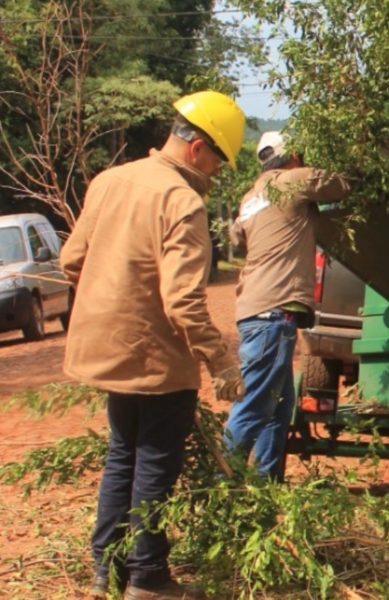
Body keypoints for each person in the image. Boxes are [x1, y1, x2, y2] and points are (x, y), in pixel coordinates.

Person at [61, 91, 247, 600]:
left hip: (110, 353)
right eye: (218, 160)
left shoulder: (109, 181)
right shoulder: (182, 201)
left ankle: (108, 573)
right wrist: (222, 361)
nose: (217, 173)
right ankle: (147, 579)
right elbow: (184, 303)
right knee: (155, 463)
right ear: (197, 148)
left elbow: (71, 261)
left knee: (123, 455)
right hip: (158, 359)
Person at [225, 131, 349, 482]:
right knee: (256, 403)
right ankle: (219, 481)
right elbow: (342, 184)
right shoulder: (293, 180)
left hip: (255, 309)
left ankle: (267, 484)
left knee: (278, 407)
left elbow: (236, 236)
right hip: (273, 311)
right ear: (292, 155)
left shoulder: (251, 196)